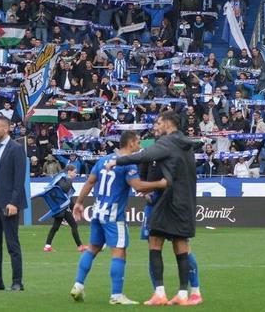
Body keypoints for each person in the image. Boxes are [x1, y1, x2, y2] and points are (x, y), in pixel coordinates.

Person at [109, 111, 200, 306]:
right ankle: (184, 294)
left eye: (158, 122)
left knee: (155, 242)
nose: (155, 126)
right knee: (181, 245)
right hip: (185, 202)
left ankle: (160, 293)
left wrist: (117, 160)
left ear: (168, 123)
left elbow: (145, 155)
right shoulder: (186, 144)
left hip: (168, 201)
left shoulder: (166, 143)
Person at [69, 131, 164, 305]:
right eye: (138, 142)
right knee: (119, 251)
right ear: (131, 143)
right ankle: (116, 295)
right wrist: (161, 184)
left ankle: (78, 285)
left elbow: (90, 182)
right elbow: (137, 186)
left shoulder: (103, 159)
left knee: (93, 248)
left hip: (98, 211)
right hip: (113, 215)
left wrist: (79, 203)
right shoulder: (128, 164)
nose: (140, 145)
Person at [0, 115, 27, 291]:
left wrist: (13, 203)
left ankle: (17, 281)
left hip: (8, 203)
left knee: (12, 243)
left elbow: (19, 180)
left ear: (6, 129)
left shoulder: (16, 149)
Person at [39, 165, 82, 252]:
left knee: (55, 227)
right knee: (73, 225)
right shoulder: (64, 177)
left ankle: (47, 246)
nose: (75, 174)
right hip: (61, 207)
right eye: (74, 172)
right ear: (69, 171)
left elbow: (66, 196)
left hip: (60, 206)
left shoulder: (61, 177)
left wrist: (73, 207)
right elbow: (64, 189)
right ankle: (80, 246)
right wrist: (69, 180)